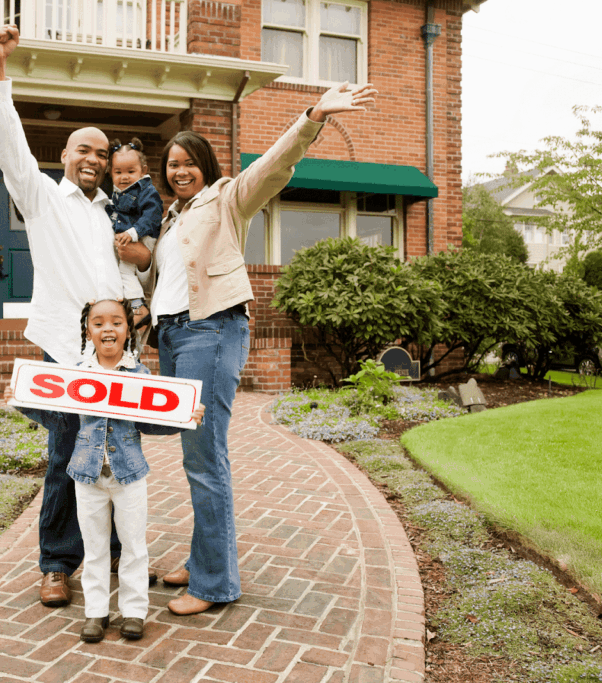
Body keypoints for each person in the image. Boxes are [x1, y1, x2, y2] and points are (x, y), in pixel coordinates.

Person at [146, 81, 378, 616]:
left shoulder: (228, 198)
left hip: (210, 330)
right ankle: (204, 558)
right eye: (172, 165)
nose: (180, 171)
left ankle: (214, 583)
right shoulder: (169, 217)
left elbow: (273, 166)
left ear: (206, 164)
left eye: (188, 162)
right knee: (194, 454)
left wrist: (312, 117)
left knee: (206, 456)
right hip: (175, 337)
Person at [0, 25, 153, 608]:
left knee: (117, 454)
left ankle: (115, 556)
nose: (95, 160)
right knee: (66, 455)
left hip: (119, 350)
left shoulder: (113, 213)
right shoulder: (43, 198)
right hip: (68, 347)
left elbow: (129, 277)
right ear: (64, 155)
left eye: (103, 154)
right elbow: (6, 139)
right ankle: (57, 562)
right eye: (85, 149)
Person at [6, 299, 204, 643]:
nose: (107, 328)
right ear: (88, 331)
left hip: (129, 476)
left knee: (133, 547)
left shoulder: (139, 375)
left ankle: (133, 612)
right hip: (87, 476)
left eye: (116, 322)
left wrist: (184, 419)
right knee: (96, 549)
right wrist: (23, 400)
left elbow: (151, 422)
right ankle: (96, 613)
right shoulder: (76, 374)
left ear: (128, 330)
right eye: (98, 323)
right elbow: (59, 421)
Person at [105, 138, 164, 349]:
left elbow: (152, 216)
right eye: (118, 172)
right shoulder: (116, 194)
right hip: (132, 238)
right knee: (123, 273)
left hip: (144, 239)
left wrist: (132, 233)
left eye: (130, 171)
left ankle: (139, 308)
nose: (124, 177)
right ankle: (134, 308)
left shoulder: (146, 191)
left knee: (124, 271)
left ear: (143, 170)